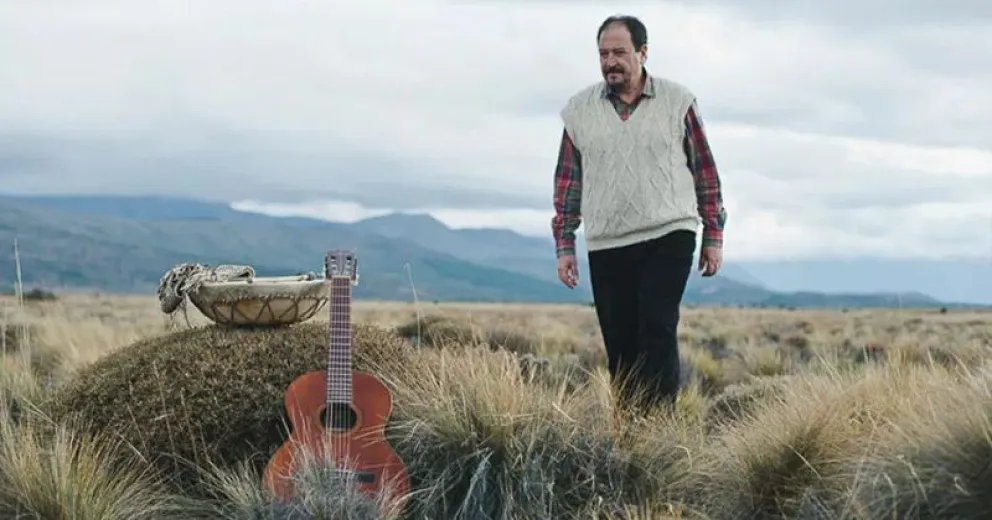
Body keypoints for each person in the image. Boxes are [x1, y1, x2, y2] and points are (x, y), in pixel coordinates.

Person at [551, 14, 727, 417]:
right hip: (608, 240)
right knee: (620, 342)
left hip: (670, 231)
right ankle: (629, 430)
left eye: (620, 52)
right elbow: (567, 185)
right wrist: (565, 246)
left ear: (643, 53)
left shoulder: (677, 101)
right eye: (603, 54)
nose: (610, 62)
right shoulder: (579, 112)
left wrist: (713, 234)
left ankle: (661, 431)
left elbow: (705, 170)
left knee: (657, 327)